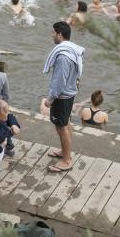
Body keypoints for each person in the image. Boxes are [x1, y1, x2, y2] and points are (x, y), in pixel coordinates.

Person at [42, 21, 84, 172]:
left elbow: (60, 81)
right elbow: (77, 70)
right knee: (65, 123)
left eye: (53, 32)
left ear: (60, 34)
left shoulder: (63, 56)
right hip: (70, 93)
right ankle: (65, 152)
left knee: (62, 127)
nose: (52, 35)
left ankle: (67, 160)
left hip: (62, 96)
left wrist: (50, 99)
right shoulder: (73, 50)